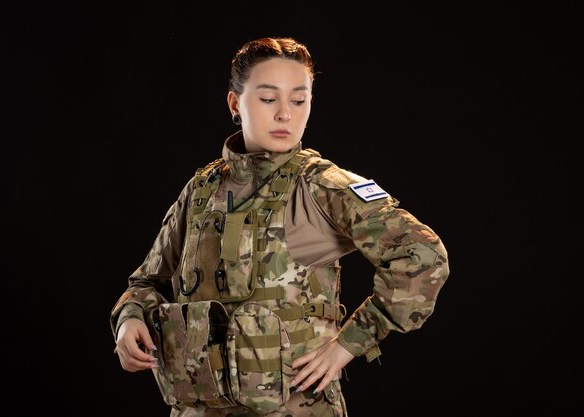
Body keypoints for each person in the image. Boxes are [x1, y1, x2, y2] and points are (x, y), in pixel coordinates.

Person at [110, 36, 450, 417]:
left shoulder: (321, 186)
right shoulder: (201, 190)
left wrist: (349, 343)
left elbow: (422, 256)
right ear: (235, 104)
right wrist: (129, 320)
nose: (285, 114)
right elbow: (146, 283)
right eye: (269, 99)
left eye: (299, 99)